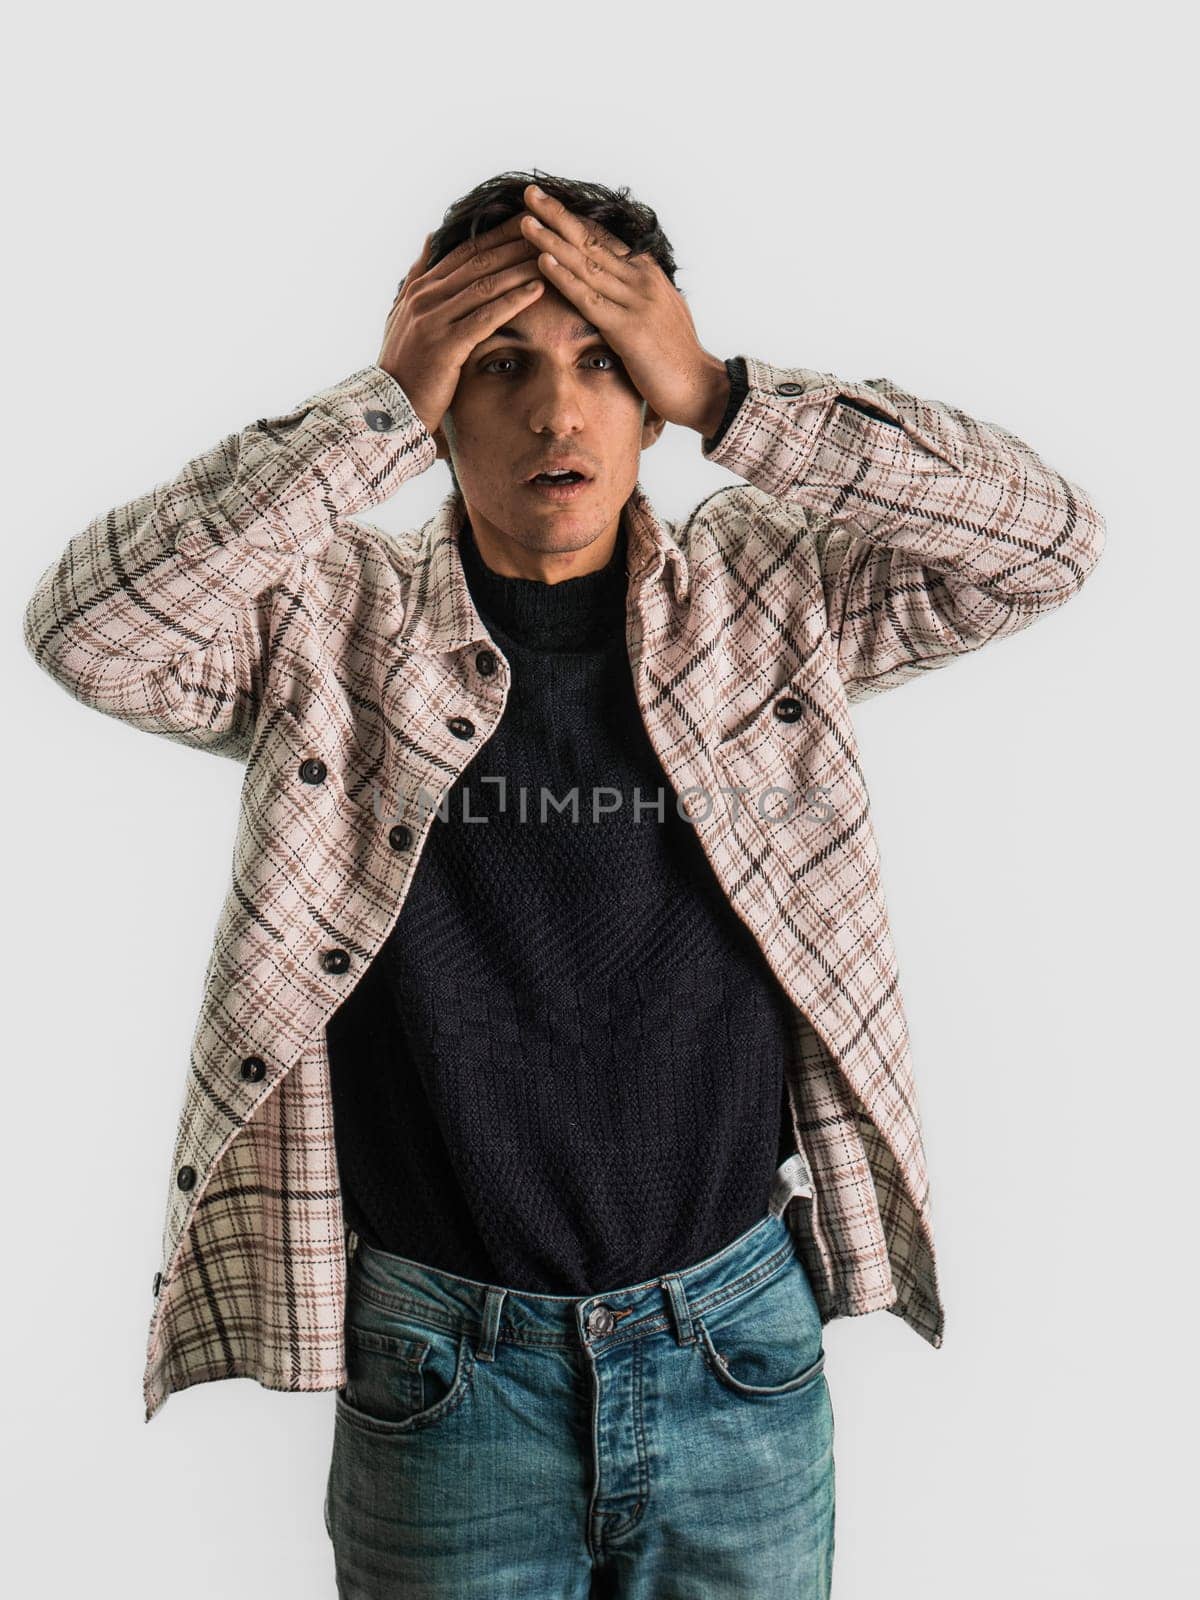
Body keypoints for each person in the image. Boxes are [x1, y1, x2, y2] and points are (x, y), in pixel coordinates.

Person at [22, 167, 1106, 1597]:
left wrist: (729, 393)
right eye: (501, 365)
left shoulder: (767, 601)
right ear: (438, 405)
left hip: (736, 1350)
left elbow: (1046, 543)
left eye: (604, 361)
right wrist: (371, 407)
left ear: (649, 398)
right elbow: (89, 632)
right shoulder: (331, 628)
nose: (558, 412)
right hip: (444, 1370)